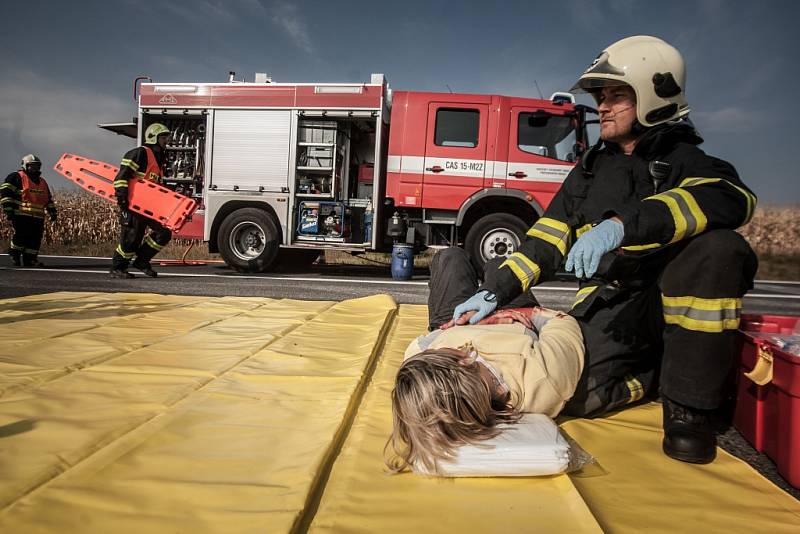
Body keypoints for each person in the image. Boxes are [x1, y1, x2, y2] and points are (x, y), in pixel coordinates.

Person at [451, 36, 758, 464]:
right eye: (601, 97)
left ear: (653, 95)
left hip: (670, 299)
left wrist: (621, 226)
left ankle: (691, 407)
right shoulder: (591, 170)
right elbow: (546, 239)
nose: (603, 107)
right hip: (614, 302)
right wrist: (494, 290)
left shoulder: (687, 160)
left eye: (617, 96)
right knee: (571, 394)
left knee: (721, 247)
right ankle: (650, 378)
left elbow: (732, 197)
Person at [385, 248, 585, 474]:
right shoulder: (541, 379)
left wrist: (443, 331)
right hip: (515, 315)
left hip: (454, 319)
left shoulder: (433, 377)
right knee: (501, 267)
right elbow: (563, 324)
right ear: (464, 361)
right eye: (450, 352)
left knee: (450, 256)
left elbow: (416, 349)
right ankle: (495, 270)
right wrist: (524, 315)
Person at [110, 123, 172, 278]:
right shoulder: (139, 153)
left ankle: (142, 260)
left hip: (148, 208)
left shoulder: (159, 159)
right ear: (153, 138)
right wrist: (122, 197)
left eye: (166, 138)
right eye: (163, 138)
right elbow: (121, 176)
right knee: (131, 238)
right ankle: (118, 268)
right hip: (132, 205)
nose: (166, 141)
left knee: (163, 233)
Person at [1, 154, 57, 267]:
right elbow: (6, 193)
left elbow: (48, 199)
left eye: (37, 166)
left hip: (38, 216)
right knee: (21, 236)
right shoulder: (16, 177)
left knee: (35, 239)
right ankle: (15, 254)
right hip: (21, 214)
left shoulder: (42, 182)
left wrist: (52, 212)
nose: (35, 168)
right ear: (25, 166)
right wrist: (9, 211)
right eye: (32, 166)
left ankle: (30, 260)